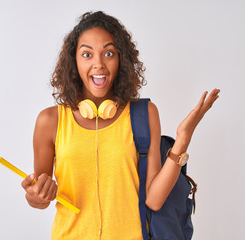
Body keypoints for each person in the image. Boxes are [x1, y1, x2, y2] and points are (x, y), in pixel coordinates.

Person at [21, 11, 220, 240]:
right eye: (87, 54)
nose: (99, 64)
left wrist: (183, 138)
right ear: (74, 61)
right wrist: (35, 196)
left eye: (108, 53)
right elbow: (39, 198)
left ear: (121, 59)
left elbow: (154, 200)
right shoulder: (50, 121)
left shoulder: (144, 114)